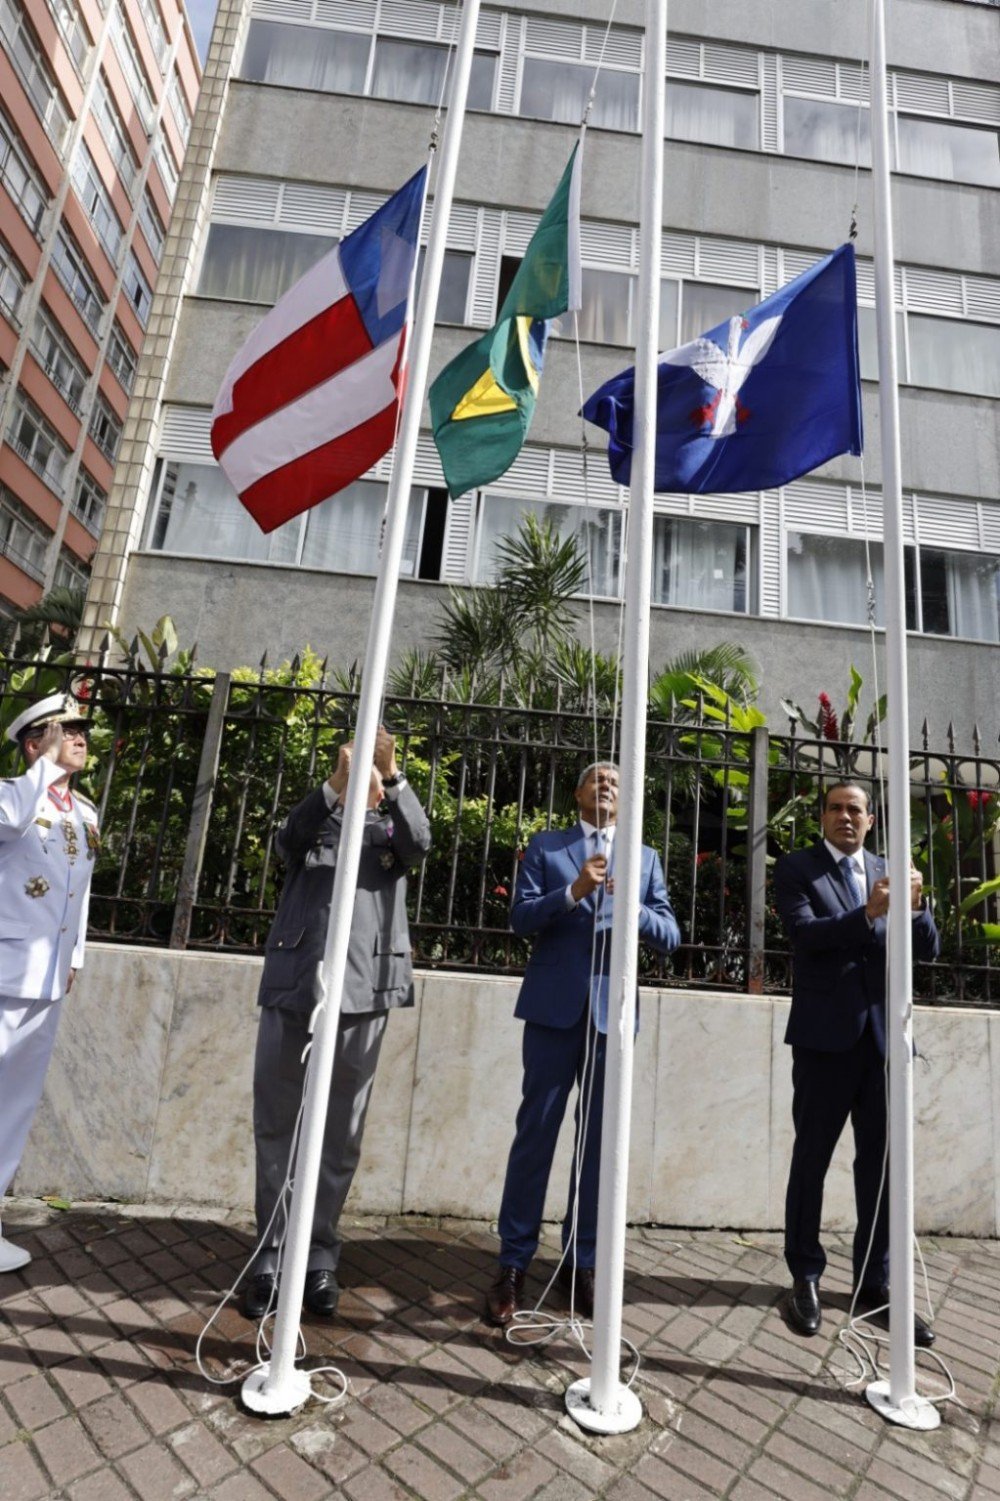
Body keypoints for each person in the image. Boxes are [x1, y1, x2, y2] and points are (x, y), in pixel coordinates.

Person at [244, 726, 431, 1320]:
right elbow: (286, 842)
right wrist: (336, 784)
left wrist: (392, 775)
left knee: (340, 1132)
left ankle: (320, 1254)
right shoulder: (318, 815)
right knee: (277, 1123)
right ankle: (271, 1255)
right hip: (296, 981)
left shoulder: (392, 822)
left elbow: (421, 845)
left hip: (364, 988)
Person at [485, 762, 680, 1326]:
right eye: (596, 778)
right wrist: (573, 891)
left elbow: (670, 936)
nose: (607, 785)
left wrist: (635, 909)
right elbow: (520, 919)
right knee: (535, 1137)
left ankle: (583, 1262)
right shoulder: (547, 846)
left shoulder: (643, 859)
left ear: (626, 798)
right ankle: (513, 1263)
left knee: (599, 1145)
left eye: (616, 781)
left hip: (610, 1018)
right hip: (551, 1012)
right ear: (578, 792)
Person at [774, 780, 940, 1344]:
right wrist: (867, 911)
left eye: (857, 810)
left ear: (871, 820)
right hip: (825, 1042)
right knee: (811, 1161)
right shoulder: (798, 868)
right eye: (837, 808)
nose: (847, 817)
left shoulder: (892, 868)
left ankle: (874, 1285)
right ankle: (805, 1274)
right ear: (822, 816)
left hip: (885, 1044)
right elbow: (804, 935)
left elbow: (928, 947)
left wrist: (915, 908)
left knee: (882, 1165)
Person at [0, 693, 98, 1274]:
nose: (82, 738)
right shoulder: (13, 796)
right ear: (34, 743)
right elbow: (12, 822)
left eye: (84, 730)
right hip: (4, 969)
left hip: (47, 977)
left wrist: (75, 956)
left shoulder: (83, 812)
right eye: (68, 730)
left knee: (13, 1106)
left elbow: (76, 894)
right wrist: (44, 766)